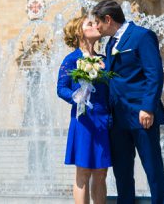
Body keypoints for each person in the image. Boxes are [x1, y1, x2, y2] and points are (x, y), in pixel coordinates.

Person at [92, 0, 164, 204]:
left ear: (108, 19)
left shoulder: (142, 36)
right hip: (117, 118)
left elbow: (154, 74)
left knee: (152, 166)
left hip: (141, 114)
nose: (97, 27)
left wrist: (148, 108)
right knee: (122, 170)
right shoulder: (110, 44)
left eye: (98, 22)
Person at [57, 13, 111, 204]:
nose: (96, 25)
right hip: (83, 121)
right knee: (83, 172)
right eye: (90, 23)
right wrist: (75, 96)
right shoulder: (71, 59)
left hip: (103, 120)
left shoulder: (105, 60)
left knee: (101, 172)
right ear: (80, 32)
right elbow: (60, 88)